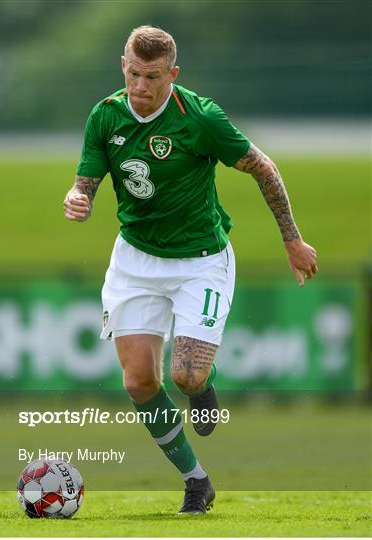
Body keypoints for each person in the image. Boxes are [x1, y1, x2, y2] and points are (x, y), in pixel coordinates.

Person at [63, 25, 318, 514]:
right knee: (138, 382)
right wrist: (77, 198)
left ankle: (204, 385)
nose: (140, 86)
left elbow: (263, 167)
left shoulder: (200, 118)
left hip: (200, 262)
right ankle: (196, 481)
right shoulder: (105, 115)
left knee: (187, 376)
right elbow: (86, 186)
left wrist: (291, 239)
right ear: (123, 66)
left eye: (153, 77)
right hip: (135, 260)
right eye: (134, 73)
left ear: (172, 75)